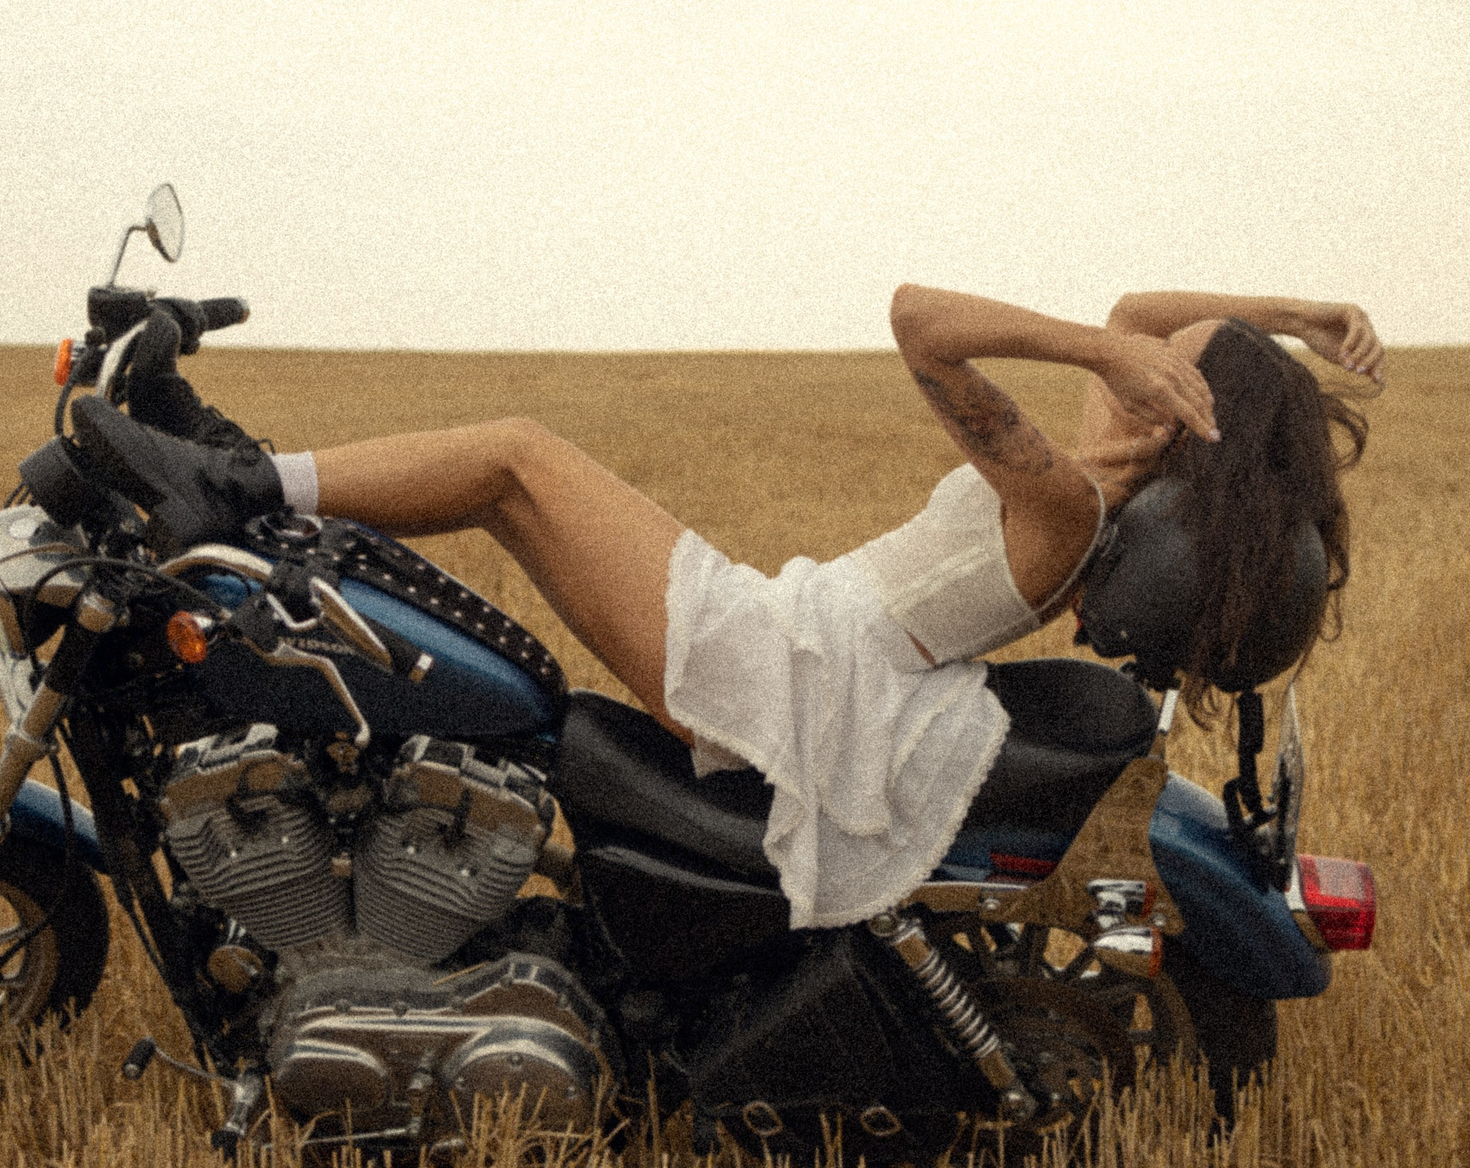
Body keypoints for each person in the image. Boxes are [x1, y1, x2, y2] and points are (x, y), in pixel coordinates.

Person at [244, 286, 1380, 927]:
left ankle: (243, 484)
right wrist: (1304, 313)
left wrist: (1093, 349)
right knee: (511, 485)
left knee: (515, 461)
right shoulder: (1091, 483)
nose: (1123, 356)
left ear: (1175, 410)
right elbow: (1138, 307)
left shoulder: (1063, 505)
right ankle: (257, 487)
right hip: (799, 639)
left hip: (780, 669)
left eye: (1150, 365)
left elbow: (917, 320)